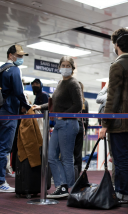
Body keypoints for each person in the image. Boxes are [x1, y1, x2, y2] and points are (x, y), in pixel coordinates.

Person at [98, 28, 128, 207]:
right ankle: (123, 193)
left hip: (119, 121)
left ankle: (122, 194)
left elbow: (113, 97)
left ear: (116, 45)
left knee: (120, 160)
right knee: (126, 158)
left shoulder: (117, 65)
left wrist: (105, 124)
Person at [32, 56, 82, 199]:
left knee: (66, 158)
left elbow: (78, 105)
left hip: (68, 123)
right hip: (59, 123)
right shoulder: (61, 83)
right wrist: (40, 106)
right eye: (63, 65)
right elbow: (54, 103)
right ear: (59, 67)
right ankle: (61, 185)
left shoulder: (74, 83)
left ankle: (67, 188)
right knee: (51, 155)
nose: (65, 67)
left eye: (68, 65)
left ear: (72, 68)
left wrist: (63, 115)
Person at [0, 45, 31, 193]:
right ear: (10, 55)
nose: (21, 58)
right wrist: (27, 107)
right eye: (19, 55)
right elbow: (18, 91)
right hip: (9, 112)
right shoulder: (15, 70)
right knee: (3, 149)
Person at [74, 82, 89, 175]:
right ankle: (77, 174)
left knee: (68, 153)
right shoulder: (84, 102)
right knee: (78, 153)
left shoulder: (72, 100)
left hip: (72, 127)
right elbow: (86, 119)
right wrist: (85, 132)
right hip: (80, 128)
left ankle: (70, 175)